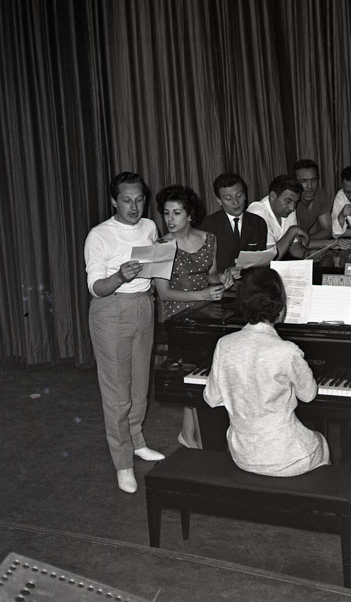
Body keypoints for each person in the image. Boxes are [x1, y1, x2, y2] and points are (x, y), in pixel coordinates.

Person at [204, 267, 330, 476]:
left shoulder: (224, 344)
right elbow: (308, 395)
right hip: (286, 456)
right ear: (280, 308)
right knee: (321, 441)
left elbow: (212, 398)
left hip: (242, 455)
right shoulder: (287, 350)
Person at [84, 171, 165, 494]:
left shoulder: (149, 227)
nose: (134, 207)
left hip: (143, 306)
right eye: (127, 201)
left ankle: (136, 441)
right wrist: (119, 276)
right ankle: (123, 462)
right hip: (111, 309)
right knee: (117, 393)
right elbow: (95, 287)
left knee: (140, 387)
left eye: (140, 200)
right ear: (114, 201)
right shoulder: (99, 235)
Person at [155, 185, 234, 449]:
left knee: (204, 375)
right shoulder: (161, 246)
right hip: (179, 317)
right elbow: (164, 293)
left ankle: (188, 433)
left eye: (177, 213)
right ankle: (198, 438)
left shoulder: (209, 238)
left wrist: (223, 278)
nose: (170, 219)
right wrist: (203, 295)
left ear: (190, 215)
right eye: (166, 213)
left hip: (207, 312)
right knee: (195, 376)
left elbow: (210, 275)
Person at [200, 173, 267, 272]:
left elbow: (261, 261)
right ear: (219, 200)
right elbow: (205, 267)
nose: (235, 202)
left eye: (239, 195)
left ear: (245, 195)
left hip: (252, 279)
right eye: (228, 198)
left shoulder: (258, 223)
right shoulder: (208, 225)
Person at [247, 175, 310, 259]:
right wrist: (293, 231)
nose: (292, 208)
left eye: (296, 202)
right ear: (273, 196)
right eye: (288, 202)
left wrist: (307, 254)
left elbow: (293, 245)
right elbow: (272, 257)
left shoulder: (288, 209)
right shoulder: (257, 213)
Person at [292, 159, 333, 242]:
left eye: (313, 180)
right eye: (304, 181)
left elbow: (327, 231)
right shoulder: (290, 200)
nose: (310, 186)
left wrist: (307, 238)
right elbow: (291, 240)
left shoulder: (321, 194)